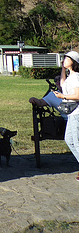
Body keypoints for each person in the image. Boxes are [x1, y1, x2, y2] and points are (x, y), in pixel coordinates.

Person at [53, 51, 79, 179]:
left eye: (66, 58)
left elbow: (78, 95)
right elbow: (63, 85)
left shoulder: (76, 77)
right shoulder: (70, 77)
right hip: (72, 113)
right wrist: (63, 69)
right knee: (69, 140)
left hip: (77, 113)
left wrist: (62, 96)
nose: (64, 60)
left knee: (77, 142)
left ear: (73, 61)